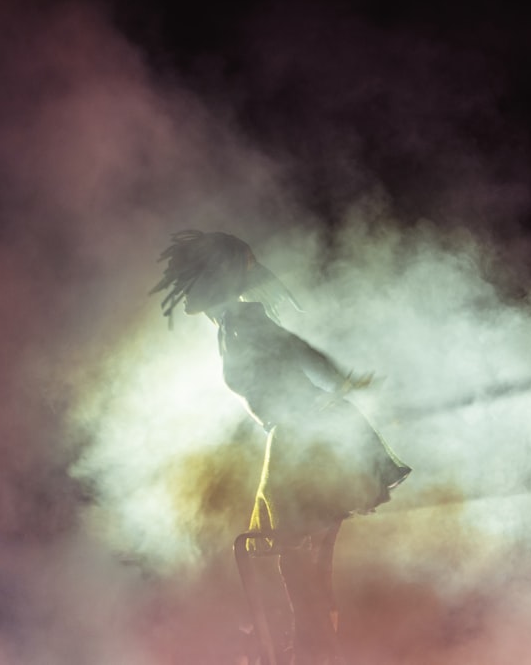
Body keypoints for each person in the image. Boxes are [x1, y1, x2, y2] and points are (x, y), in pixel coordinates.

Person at [151, 230, 411, 664]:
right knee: (292, 553)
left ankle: (310, 649)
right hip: (297, 431)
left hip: (306, 430)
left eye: (192, 281)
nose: (186, 295)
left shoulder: (244, 319)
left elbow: (299, 350)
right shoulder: (230, 326)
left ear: (211, 282)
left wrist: (339, 377)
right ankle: (305, 646)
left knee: (294, 553)